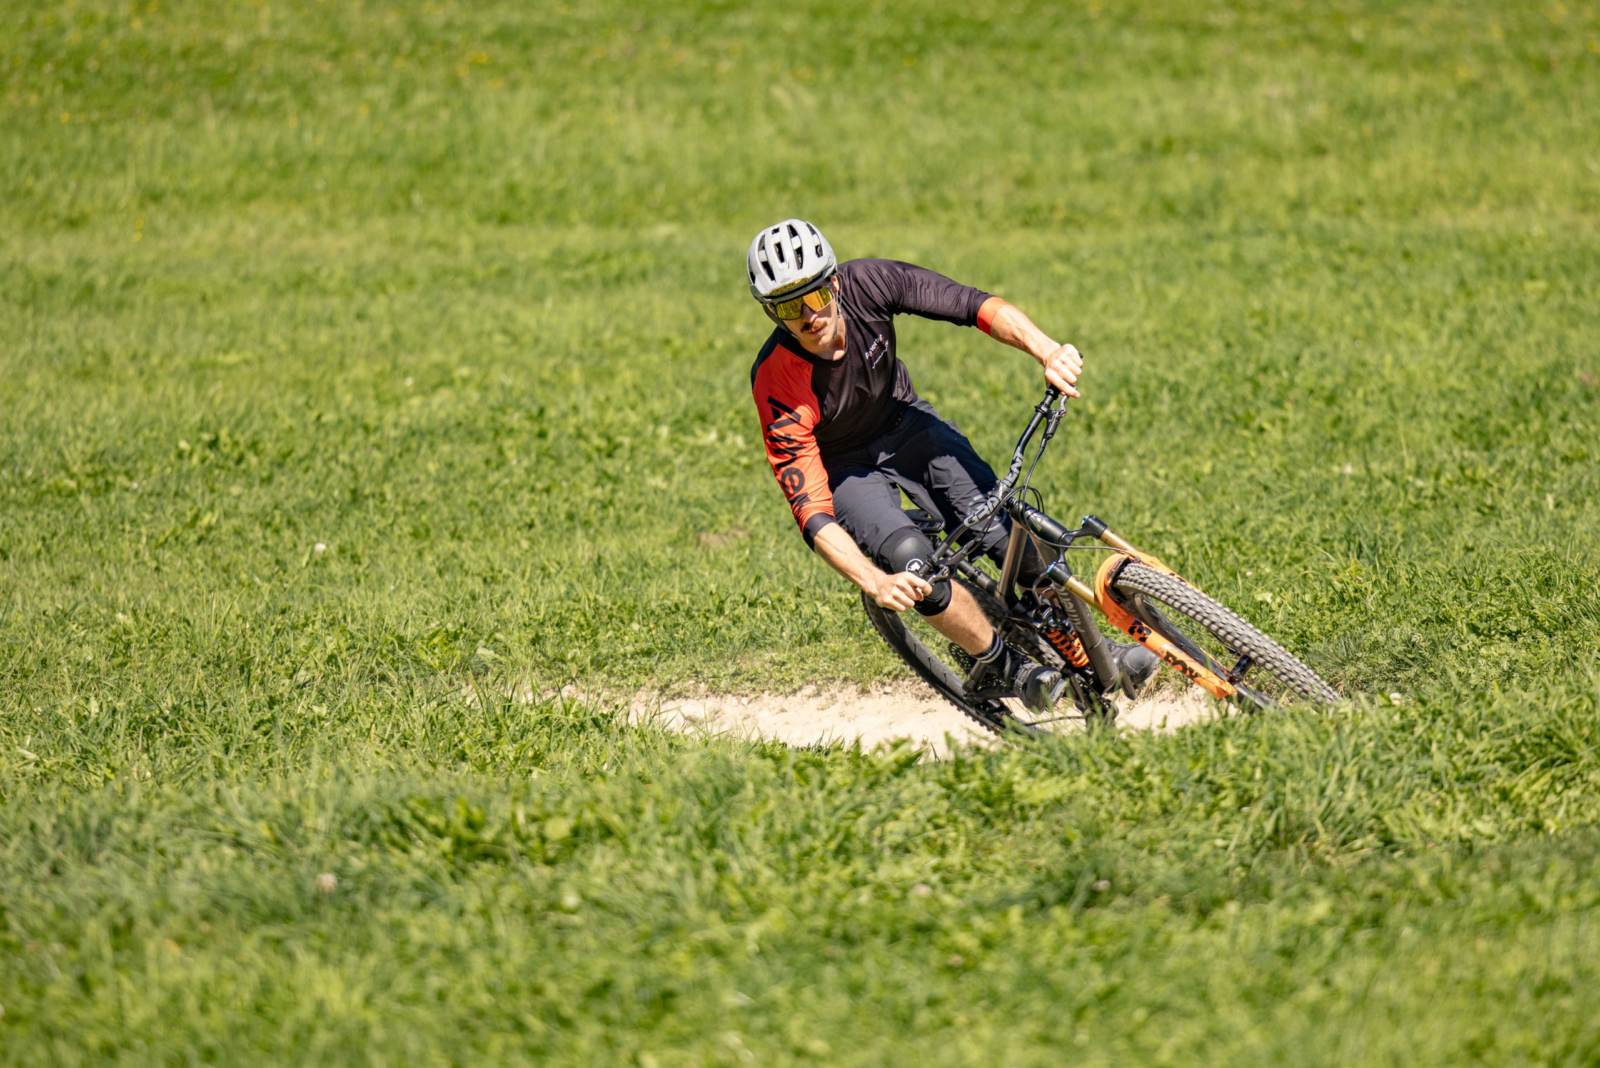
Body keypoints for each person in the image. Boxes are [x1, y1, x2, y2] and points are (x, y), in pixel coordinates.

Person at [746, 219, 1158, 711]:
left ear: (833, 282)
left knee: (1005, 533)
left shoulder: (869, 283)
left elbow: (971, 304)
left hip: (903, 421)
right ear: (770, 312)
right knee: (912, 562)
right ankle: (1004, 665)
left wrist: (1046, 350)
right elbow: (811, 512)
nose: (808, 316)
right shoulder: (777, 381)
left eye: (814, 296)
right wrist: (875, 581)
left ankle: (1089, 649)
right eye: (787, 307)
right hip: (845, 466)